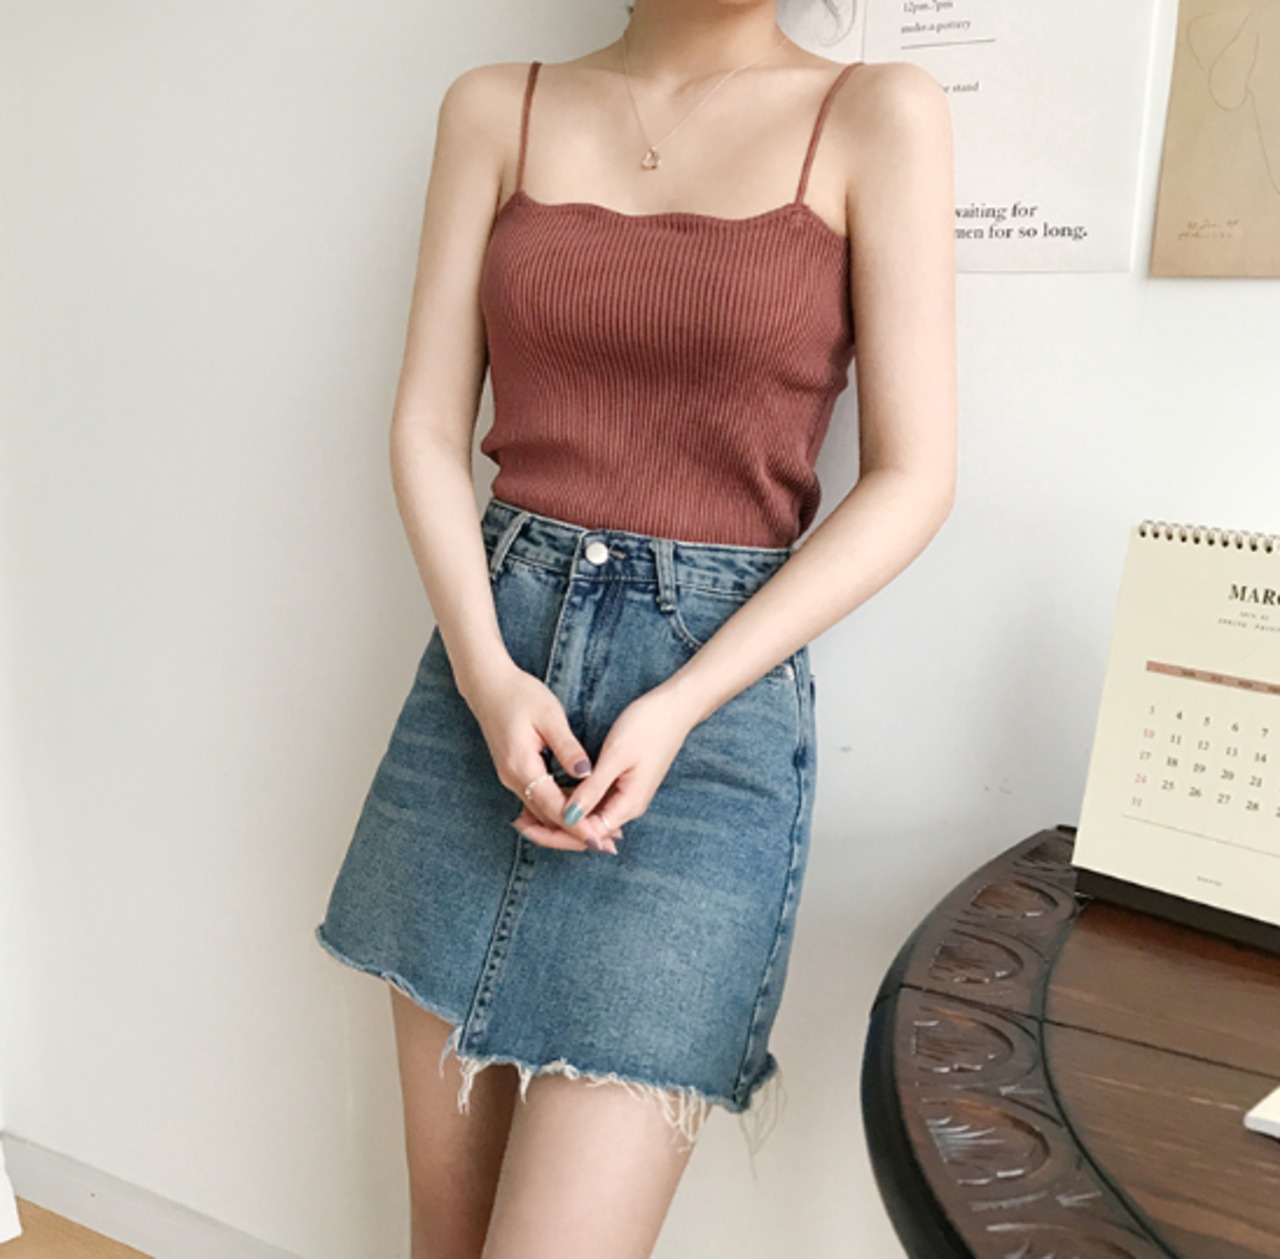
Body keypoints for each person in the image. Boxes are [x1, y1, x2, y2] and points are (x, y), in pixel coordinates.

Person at [314, 0, 957, 1255]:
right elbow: (427, 428)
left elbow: (912, 477)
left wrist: (677, 700)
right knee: (442, 1236)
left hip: (708, 722)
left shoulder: (879, 114)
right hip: (483, 679)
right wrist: (487, 676)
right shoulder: (495, 105)